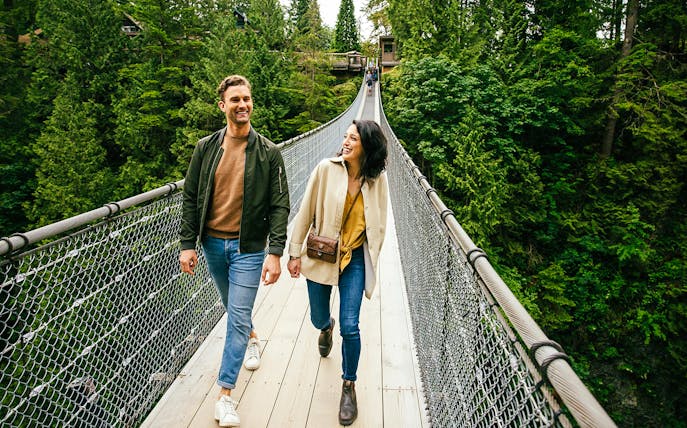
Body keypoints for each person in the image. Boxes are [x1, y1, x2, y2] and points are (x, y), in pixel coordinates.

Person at [179, 75, 290, 427]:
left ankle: (224, 395)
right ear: (222, 106)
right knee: (233, 308)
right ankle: (253, 338)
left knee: (237, 316)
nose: (242, 104)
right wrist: (186, 244)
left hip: (249, 248)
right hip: (212, 243)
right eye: (235, 100)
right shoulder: (205, 148)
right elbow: (191, 197)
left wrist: (275, 251)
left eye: (247, 98)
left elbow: (280, 205)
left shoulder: (269, 152)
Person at [287, 120, 388, 426]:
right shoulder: (325, 169)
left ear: (367, 146)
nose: (345, 142)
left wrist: (371, 253)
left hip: (355, 257)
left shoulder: (376, 180)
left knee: (351, 326)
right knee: (319, 317)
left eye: (352, 138)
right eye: (345, 136)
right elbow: (305, 211)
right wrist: (294, 252)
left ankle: (349, 385)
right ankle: (324, 326)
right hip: (322, 253)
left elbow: (380, 220)